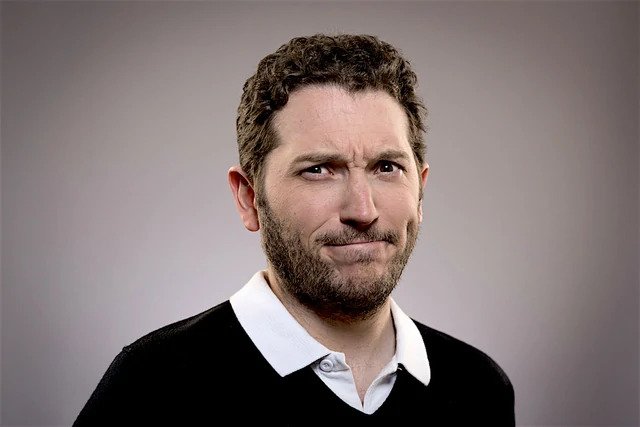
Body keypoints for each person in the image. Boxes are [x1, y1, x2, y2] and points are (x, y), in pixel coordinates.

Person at [73, 33, 515, 425]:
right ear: (249, 198)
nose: (362, 210)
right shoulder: (151, 386)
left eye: (386, 167)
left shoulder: (478, 387)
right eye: (318, 169)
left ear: (420, 191)